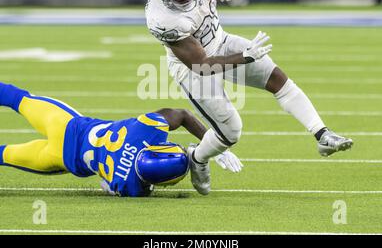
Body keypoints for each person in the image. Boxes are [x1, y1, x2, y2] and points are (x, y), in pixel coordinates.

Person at [145, 0, 354, 195]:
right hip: (194, 69)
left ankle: (322, 135)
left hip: (220, 40)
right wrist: (244, 56)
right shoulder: (162, 18)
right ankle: (198, 157)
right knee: (231, 131)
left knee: (277, 79)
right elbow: (202, 64)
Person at [0, 82, 242, 197]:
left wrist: (213, 144)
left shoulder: (146, 131)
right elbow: (107, 186)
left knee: (16, 97)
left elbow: (183, 114)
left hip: (66, 126)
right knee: (4, 155)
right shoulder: (132, 187)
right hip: (60, 159)